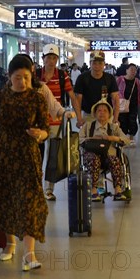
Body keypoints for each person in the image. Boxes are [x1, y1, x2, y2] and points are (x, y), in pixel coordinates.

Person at [0, 53, 49, 271]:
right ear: (10, 77)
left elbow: (46, 128)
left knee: (30, 201)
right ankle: (9, 243)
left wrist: (40, 135)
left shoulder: (37, 98)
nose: (23, 82)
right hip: (4, 155)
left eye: (27, 77)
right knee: (6, 199)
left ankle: (29, 253)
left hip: (28, 155)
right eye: (18, 77)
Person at [37, 44, 82, 201]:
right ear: (43, 59)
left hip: (56, 121)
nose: (51, 61)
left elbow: (72, 96)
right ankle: (36, 186)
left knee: (53, 155)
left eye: (54, 58)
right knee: (37, 155)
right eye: (48, 57)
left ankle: (49, 189)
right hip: (37, 122)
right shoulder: (35, 75)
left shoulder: (63, 76)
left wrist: (79, 116)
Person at [79, 99, 130, 202]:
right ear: (95, 113)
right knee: (94, 159)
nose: (102, 113)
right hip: (91, 156)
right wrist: (92, 139)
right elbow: (79, 140)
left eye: (105, 111)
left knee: (115, 160)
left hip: (108, 157)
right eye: (99, 111)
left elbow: (126, 140)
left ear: (109, 114)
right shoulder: (88, 126)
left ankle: (118, 190)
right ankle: (93, 191)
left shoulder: (113, 128)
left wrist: (112, 138)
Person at [73, 50, 120, 128]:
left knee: (107, 138)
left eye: (100, 63)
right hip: (89, 116)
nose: (97, 66)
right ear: (90, 64)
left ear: (104, 64)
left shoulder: (110, 78)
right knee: (88, 139)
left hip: (106, 115)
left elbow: (116, 99)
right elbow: (78, 100)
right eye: (94, 63)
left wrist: (116, 118)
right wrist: (79, 118)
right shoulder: (82, 78)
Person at [116, 63, 140, 144]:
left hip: (133, 105)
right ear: (126, 70)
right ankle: (123, 138)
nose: (133, 71)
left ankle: (131, 139)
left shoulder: (137, 81)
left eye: (135, 70)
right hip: (122, 105)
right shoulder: (120, 79)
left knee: (132, 121)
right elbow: (114, 92)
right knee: (122, 122)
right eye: (131, 69)